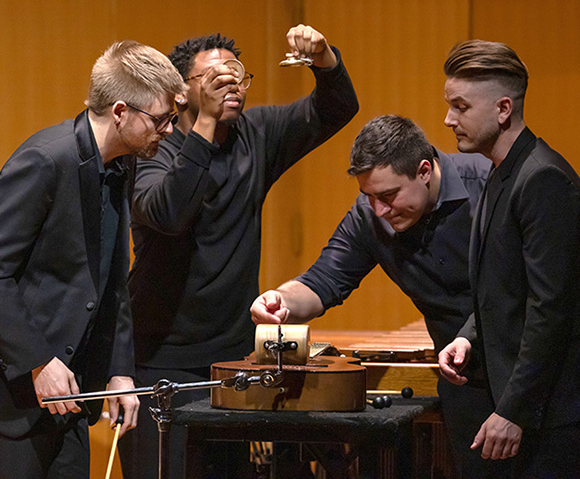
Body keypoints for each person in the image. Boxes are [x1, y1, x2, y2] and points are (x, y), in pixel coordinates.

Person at [118, 25, 358, 478]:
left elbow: (337, 107)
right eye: (213, 78)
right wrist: (205, 125)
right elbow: (169, 212)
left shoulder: (257, 135)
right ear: (181, 93)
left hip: (231, 360)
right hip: (159, 357)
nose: (229, 84)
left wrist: (325, 58)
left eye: (236, 75)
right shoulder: (152, 147)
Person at [251, 114, 515, 477]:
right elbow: (324, 280)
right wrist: (279, 301)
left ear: (424, 170)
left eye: (389, 195)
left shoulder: (491, 184)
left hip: (528, 368)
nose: (380, 210)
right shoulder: (371, 217)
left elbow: (528, 286)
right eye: (369, 197)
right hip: (463, 379)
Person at [0, 41, 186, 478]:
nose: (170, 131)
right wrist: (38, 362)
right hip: (16, 401)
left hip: (73, 401)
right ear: (121, 111)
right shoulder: (46, 160)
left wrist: (120, 372)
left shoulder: (121, 164)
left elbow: (112, 282)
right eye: (161, 119)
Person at [438, 40, 580, 477]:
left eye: (460, 107)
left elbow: (550, 308)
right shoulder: (503, 171)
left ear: (503, 109)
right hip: (527, 407)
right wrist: (468, 336)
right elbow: (502, 286)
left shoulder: (543, 178)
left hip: (552, 416)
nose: (448, 119)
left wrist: (515, 410)